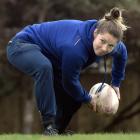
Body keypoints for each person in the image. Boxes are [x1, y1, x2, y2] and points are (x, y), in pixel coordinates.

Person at [6, 7, 128, 135]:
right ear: (95, 33)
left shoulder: (112, 41)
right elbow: (69, 81)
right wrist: (88, 99)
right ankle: (49, 126)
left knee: (74, 100)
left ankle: (58, 131)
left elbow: (122, 54)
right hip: (21, 45)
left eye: (110, 46)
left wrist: (116, 83)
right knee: (44, 68)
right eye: (102, 41)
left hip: (52, 59)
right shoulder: (75, 50)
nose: (104, 48)